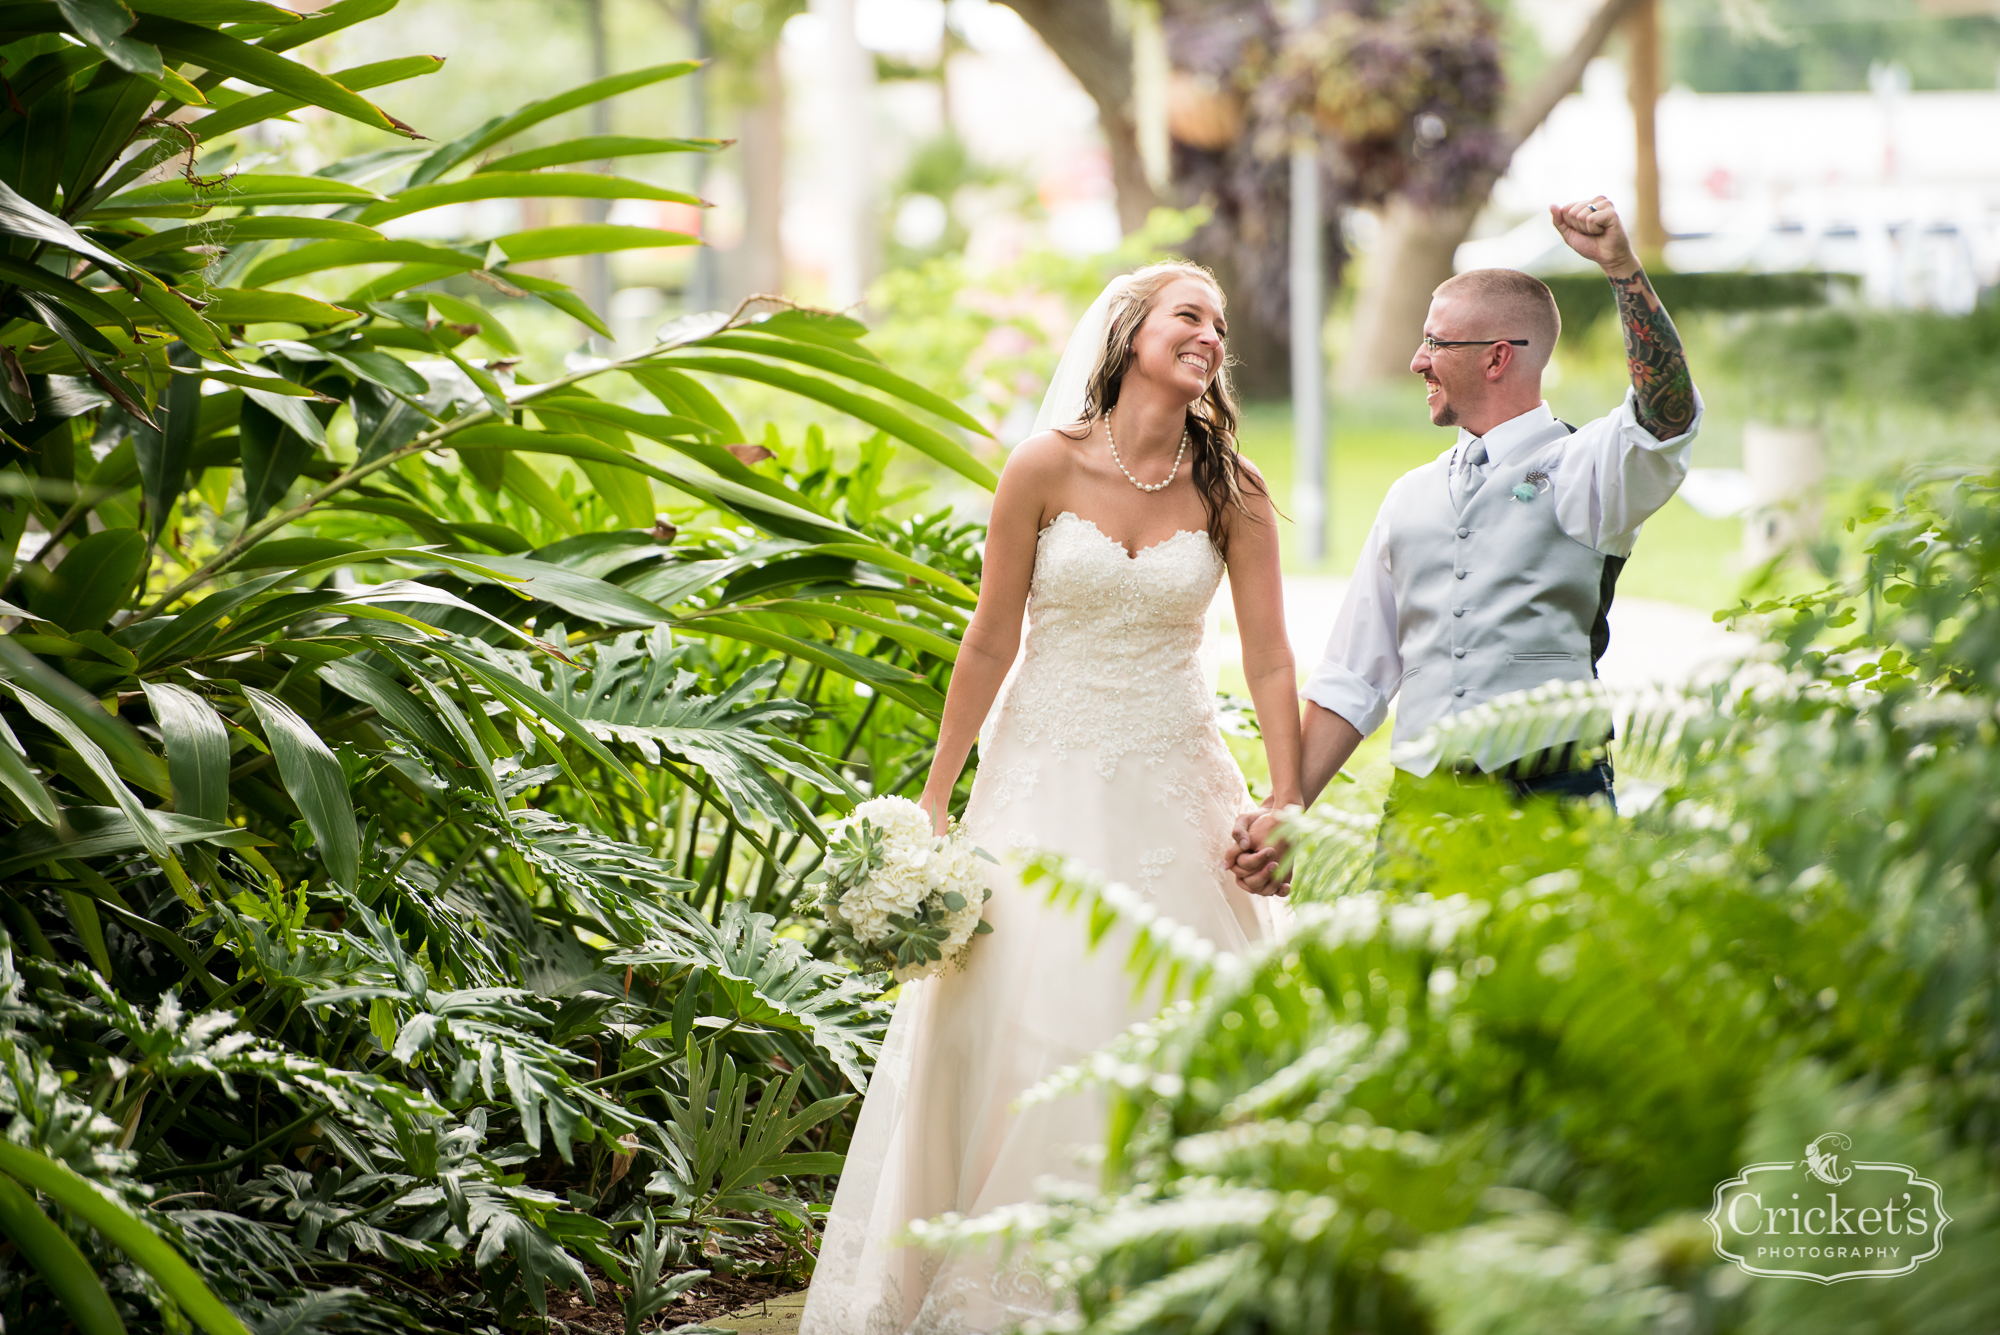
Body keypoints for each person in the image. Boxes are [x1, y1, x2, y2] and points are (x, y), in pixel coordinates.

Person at [800, 262, 1298, 1335]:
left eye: (1218, 323)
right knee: (1020, 1016)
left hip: (1173, 777)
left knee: (1165, 1007)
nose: (1209, 335)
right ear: (1127, 333)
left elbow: (1268, 660)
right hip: (1038, 774)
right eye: (1187, 315)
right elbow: (989, 639)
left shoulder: (1232, 492)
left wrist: (1286, 794)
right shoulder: (1041, 467)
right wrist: (932, 803)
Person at [1231, 195, 1700, 893]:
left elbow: (1667, 414)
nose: (1417, 359)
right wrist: (1287, 803)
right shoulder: (1407, 497)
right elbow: (1355, 676)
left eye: (1436, 343)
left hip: (1553, 801)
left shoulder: (1587, 469)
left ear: (1496, 358)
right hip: (1423, 810)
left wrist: (1622, 268)